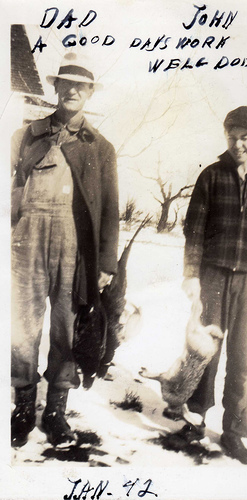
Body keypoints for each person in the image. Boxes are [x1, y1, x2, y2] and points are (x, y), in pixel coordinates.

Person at [11, 52, 119, 448]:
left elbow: (109, 210)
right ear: (55, 87)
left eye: (81, 85)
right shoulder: (26, 135)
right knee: (22, 329)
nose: (72, 90)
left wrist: (106, 262)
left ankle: (55, 410)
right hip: (25, 244)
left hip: (73, 250)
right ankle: (23, 406)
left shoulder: (100, 147)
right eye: (66, 83)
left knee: (66, 330)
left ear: (90, 93)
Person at [182, 106, 247, 465]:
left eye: (244, 138)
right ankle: (195, 418)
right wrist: (191, 274)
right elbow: (195, 230)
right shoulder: (211, 176)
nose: (238, 144)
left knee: (243, 357)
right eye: (231, 137)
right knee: (205, 351)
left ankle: (233, 430)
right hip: (214, 273)